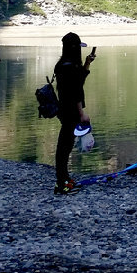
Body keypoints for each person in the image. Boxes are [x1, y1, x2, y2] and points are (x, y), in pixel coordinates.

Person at [53, 32, 95, 195]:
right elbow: (76, 91)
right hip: (70, 110)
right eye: (78, 47)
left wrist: (87, 64)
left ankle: (64, 179)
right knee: (64, 147)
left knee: (66, 144)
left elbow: (79, 82)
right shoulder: (69, 67)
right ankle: (62, 183)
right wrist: (81, 113)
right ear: (74, 48)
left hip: (64, 109)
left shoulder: (63, 65)